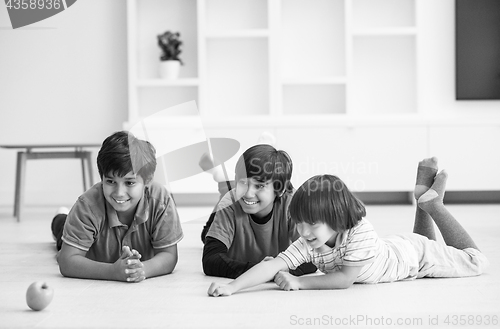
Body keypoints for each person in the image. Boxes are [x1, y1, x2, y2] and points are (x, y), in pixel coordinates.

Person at [207, 157, 489, 296]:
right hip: (400, 246)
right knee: (421, 239)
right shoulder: (309, 238)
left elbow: (344, 279)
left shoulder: (359, 232)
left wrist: (299, 282)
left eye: (312, 224)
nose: (303, 232)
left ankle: (433, 204)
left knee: (476, 262)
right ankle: (422, 199)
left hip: (416, 259)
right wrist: (233, 287)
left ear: (338, 218)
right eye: (300, 223)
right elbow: (272, 265)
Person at [52, 131, 183, 283]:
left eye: (130, 182)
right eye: (110, 181)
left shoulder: (160, 200)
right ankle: (61, 217)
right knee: (62, 233)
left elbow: (169, 255)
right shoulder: (87, 205)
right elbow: (67, 261)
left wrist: (141, 270)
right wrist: (112, 272)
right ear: (101, 178)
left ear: (147, 181)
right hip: (87, 242)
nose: (119, 193)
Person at [202, 144, 317, 279]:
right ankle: (223, 179)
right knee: (206, 234)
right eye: (243, 183)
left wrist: (267, 270)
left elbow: (314, 258)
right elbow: (210, 260)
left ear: (279, 190)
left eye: (260, 186)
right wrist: (265, 271)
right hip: (231, 204)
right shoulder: (229, 203)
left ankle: (224, 179)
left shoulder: (292, 205)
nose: (249, 193)